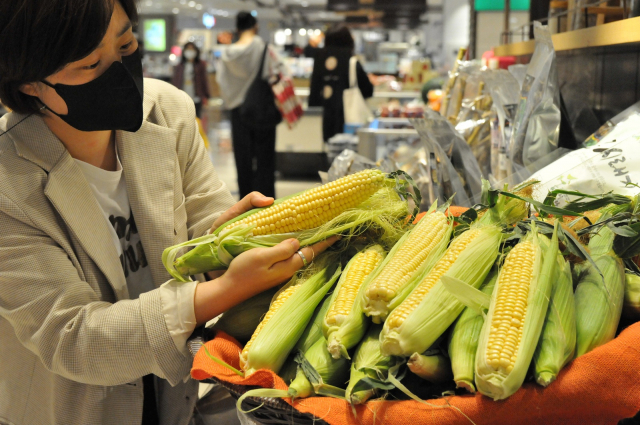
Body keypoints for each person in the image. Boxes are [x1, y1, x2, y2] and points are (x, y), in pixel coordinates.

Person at [0, 1, 336, 424]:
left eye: (126, 45)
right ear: (30, 82)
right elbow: (73, 338)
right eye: (89, 64)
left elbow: (203, 219)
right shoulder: (9, 182)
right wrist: (221, 291)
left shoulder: (166, 113)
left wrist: (233, 239)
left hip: (173, 395)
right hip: (72, 406)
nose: (120, 72)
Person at [217, 11, 286, 199]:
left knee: (242, 159)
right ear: (255, 26)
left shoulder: (226, 54)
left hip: (237, 111)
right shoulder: (262, 47)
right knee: (265, 158)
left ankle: (246, 201)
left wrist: (234, 99)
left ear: (237, 28)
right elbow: (278, 72)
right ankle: (267, 201)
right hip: (262, 108)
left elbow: (221, 82)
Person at [309, 24, 374, 141]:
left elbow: (314, 89)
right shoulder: (350, 58)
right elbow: (368, 90)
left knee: (330, 148)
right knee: (349, 151)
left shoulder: (320, 57)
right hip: (349, 117)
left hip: (327, 114)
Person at [171, 42, 210, 118]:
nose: (190, 51)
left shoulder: (200, 65)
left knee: (196, 117)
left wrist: (206, 96)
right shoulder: (180, 66)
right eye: (188, 49)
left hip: (196, 96)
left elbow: (204, 81)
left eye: (192, 49)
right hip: (182, 96)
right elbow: (175, 80)